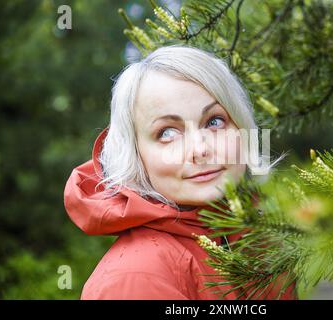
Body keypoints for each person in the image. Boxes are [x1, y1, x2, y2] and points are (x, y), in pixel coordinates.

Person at [64, 45, 295, 299]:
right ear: (137, 156)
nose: (200, 149)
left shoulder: (262, 241)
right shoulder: (135, 279)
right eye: (167, 133)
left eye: (214, 121)